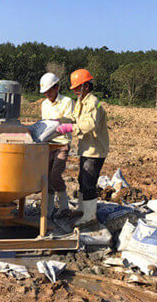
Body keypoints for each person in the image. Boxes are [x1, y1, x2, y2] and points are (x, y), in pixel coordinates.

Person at [55, 69, 109, 227]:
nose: (76, 91)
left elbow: (89, 124)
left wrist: (71, 128)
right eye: (75, 88)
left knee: (88, 183)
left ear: (86, 86)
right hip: (86, 149)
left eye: (78, 87)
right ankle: (81, 208)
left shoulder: (92, 102)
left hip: (95, 150)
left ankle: (89, 216)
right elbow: (75, 117)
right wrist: (60, 119)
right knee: (82, 179)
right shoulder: (81, 101)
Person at [39, 72, 74, 219]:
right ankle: (48, 210)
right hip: (48, 144)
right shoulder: (44, 104)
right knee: (46, 177)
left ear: (57, 88)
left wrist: (57, 124)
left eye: (49, 91)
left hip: (61, 144)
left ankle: (64, 206)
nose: (47, 94)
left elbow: (70, 121)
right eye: (45, 92)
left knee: (55, 175)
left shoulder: (66, 102)